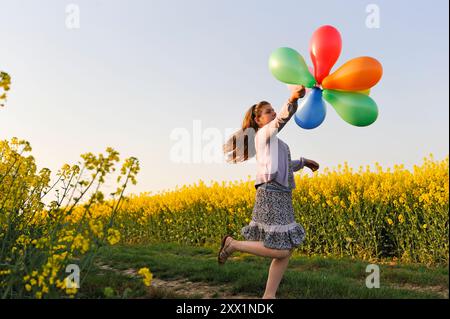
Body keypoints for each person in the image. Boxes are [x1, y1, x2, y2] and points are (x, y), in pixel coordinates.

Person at [220, 86, 320, 299]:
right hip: (270, 193)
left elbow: (284, 164)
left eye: (274, 109)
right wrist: (292, 100)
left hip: (283, 195)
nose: (273, 113)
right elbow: (281, 121)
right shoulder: (263, 135)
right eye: (269, 111)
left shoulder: (277, 142)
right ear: (258, 120)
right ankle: (233, 244)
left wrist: (303, 162)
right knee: (280, 249)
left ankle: (269, 296)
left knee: (287, 249)